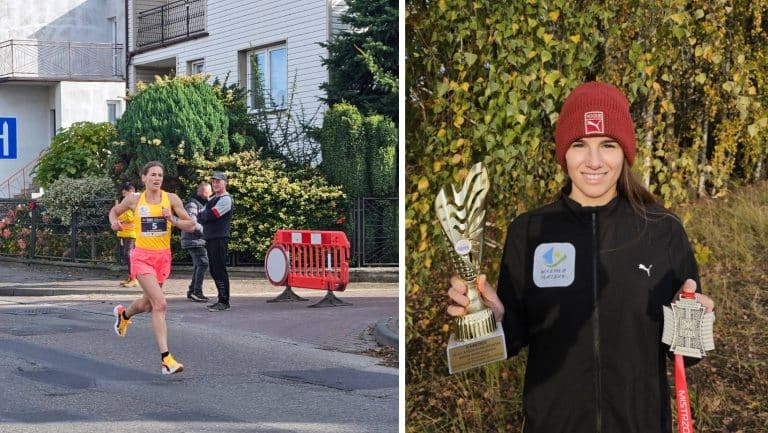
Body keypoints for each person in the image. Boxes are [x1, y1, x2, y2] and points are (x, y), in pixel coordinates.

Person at [446, 82, 715, 433]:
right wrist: (493, 319)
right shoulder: (529, 231)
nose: (593, 161)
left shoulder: (662, 230)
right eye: (579, 145)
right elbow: (512, 340)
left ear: (625, 152)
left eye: (607, 145)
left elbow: (688, 357)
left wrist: (693, 321)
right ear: (564, 153)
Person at [108, 161, 198, 375]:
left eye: (160, 175)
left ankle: (124, 315)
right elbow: (114, 211)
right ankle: (166, 360)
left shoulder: (171, 199)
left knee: (148, 305)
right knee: (160, 304)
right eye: (153, 175)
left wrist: (172, 218)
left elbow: (191, 225)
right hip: (141, 258)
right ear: (144, 178)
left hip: (162, 258)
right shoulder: (134, 200)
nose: (157, 178)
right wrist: (114, 222)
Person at [197, 171, 234, 312]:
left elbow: (212, 214)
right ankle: (221, 299)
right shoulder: (213, 199)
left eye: (218, 181)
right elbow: (203, 216)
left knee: (219, 269)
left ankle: (224, 301)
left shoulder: (226, 199)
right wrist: (204, 215)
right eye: (213, 182)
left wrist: (204, 215)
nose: (215, 184)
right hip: (212, 238)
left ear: (225, 183)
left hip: (219, 238)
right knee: (214, 269)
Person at [181, 181, 212, 302]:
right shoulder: (192, 204)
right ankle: (196, 292)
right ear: (201, 192)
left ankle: (192, 290)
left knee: (199, 264)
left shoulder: (199, 203)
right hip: (194, 240)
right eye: (207, 192)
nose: (209, 195)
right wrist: (205, 232)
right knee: (203, 263)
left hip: (196, 240)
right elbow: (192, 223)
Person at [116, 182, 138, 288]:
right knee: (127, 255)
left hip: (131, 232)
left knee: (128, 254)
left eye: (126, 192)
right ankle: (131, 277)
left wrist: (122, 219)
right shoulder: (124, 203)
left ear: (131, 192)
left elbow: (132, 217)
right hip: (124, 232)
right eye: (123, 192)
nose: (123, 194)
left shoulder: (134, 202)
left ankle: (134, 278)